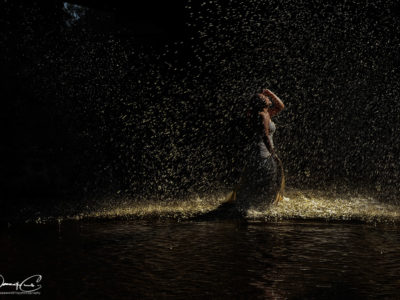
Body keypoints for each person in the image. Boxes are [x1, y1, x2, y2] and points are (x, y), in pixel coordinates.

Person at [228, 88, 285, 214]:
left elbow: (280, 106)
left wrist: (270, 93)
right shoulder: (262, 115)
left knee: (258, 182)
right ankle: (257, 209)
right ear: (260, 102)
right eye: (264, 97)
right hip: (262, 156)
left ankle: (251, 207)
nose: (267, 97)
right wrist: (273, 153)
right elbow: (264, 136)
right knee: (265, 182)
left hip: (260, 155)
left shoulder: (266, 113)